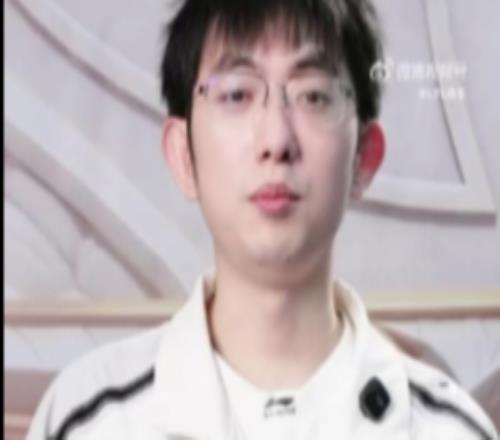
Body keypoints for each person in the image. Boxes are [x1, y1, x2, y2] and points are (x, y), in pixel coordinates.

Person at [27, 0, 498, 439]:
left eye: (313, 96)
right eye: (236, 94)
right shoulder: (87, 420)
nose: (276, 139)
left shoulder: (449, 430)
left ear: (364, 158)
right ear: (183, 155)